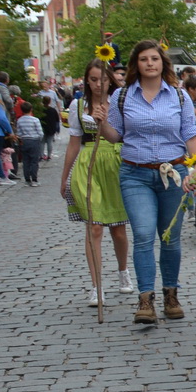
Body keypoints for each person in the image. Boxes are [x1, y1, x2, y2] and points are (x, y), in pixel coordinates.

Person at [98, 40, 196, 323]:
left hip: (174, 174)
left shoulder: (179, 97)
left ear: (162, 63)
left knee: (169, 238)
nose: (149, 63)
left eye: (154, 59)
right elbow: (114, 135)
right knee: (144, 234)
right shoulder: (123, 96)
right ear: (137, 64)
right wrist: (100, 123)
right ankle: (146, 299)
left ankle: (171, 293)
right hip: (135, 174)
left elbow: (190, 135)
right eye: (144, 59)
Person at [58, 60, 133, 300]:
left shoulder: (119, 104)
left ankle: (123, 271)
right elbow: (73, 144)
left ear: (110, 79)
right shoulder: (78, 105)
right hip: (88, 163)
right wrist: (65, 177)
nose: (98, 84)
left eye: (102, 79)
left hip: (115, 162)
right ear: (86, 81)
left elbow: (125, 137)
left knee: (118, 230)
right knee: (95, 227)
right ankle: (96, 286)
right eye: (93, 79)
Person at [14, 101, 43, 185]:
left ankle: (27, 179)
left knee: (26, 161)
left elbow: (19, 133)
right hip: (34, 140)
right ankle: (34, 179)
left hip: (24, 141)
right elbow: (40, 132)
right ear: (31, 109)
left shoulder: (19, 120)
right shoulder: (35, 120)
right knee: (34, 161)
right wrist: (39, 139)